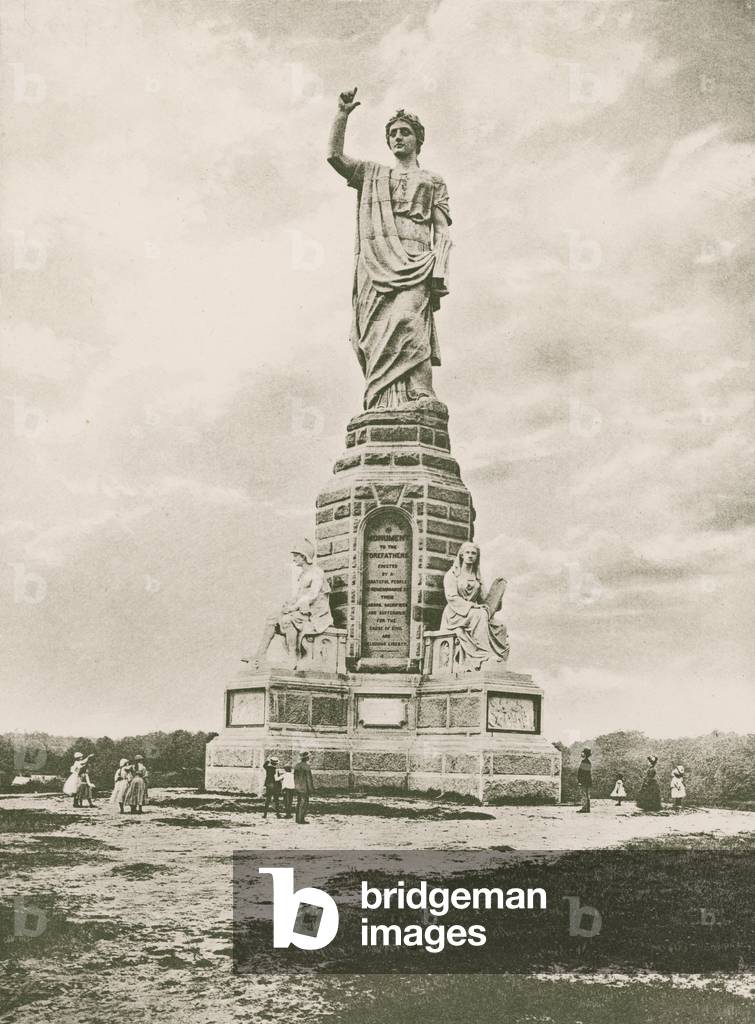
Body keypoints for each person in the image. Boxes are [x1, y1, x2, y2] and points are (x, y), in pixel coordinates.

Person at [327, 88, 452, 410]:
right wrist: (342, 115)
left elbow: (441, 228)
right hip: (375, 261)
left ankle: (423, 392)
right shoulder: (372, 174)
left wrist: (440, 268)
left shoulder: (433, 179)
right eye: (393, 133)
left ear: (417, 140)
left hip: (418, 257)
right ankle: (384, 401)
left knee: (408, 320)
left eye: (405, 133)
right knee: (374, 333)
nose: (398, 138)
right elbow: (335, 158)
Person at [246, 541, 332, 669]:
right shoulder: (303, 574)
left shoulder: (316, 572)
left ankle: (293, 656)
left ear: (304, 556)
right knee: (272, 618)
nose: (294, 558)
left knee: (287, 620)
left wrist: (293, 607)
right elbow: (300, 595)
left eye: (296, 555)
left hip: (316, 613)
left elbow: (313, 594)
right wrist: (290, 603)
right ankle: (260, 654)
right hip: (302, 609)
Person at [440, 543, 509, 670]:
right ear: (461, 555)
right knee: (480, 615)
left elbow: (484, 600)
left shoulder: (477, 578)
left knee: (500, 626)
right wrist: (472, 606)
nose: (470, 556)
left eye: (473, 553)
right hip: (455, 613)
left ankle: (498, 657)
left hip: (472, 612)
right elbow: (452, 597)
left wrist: (497, 592)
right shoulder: (452, 575)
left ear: (477, 557)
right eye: (468, 553)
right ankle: (483, 655)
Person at [294, 752, 315, 824]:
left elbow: (295, 777)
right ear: (306, 758)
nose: (309, 758)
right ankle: (301, 819)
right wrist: (311, 789)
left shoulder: (297, 765)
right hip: (304, 788)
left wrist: (296, 786)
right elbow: (309, 779)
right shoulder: (306, 766)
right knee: (304, 803)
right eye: (308, 757)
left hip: (298, 787)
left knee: (299, 803)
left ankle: (297, 818)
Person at [577, 748, 592, 813]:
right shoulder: (587, 761)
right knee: (586, 795)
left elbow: (584, 773)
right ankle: (587, 808)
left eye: (582, 752)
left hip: (584, 781)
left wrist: (581, 781)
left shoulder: (585, 761)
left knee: (584, 795)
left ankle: (584, 808)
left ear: (585, 754)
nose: (581, 753)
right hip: (587, 781)